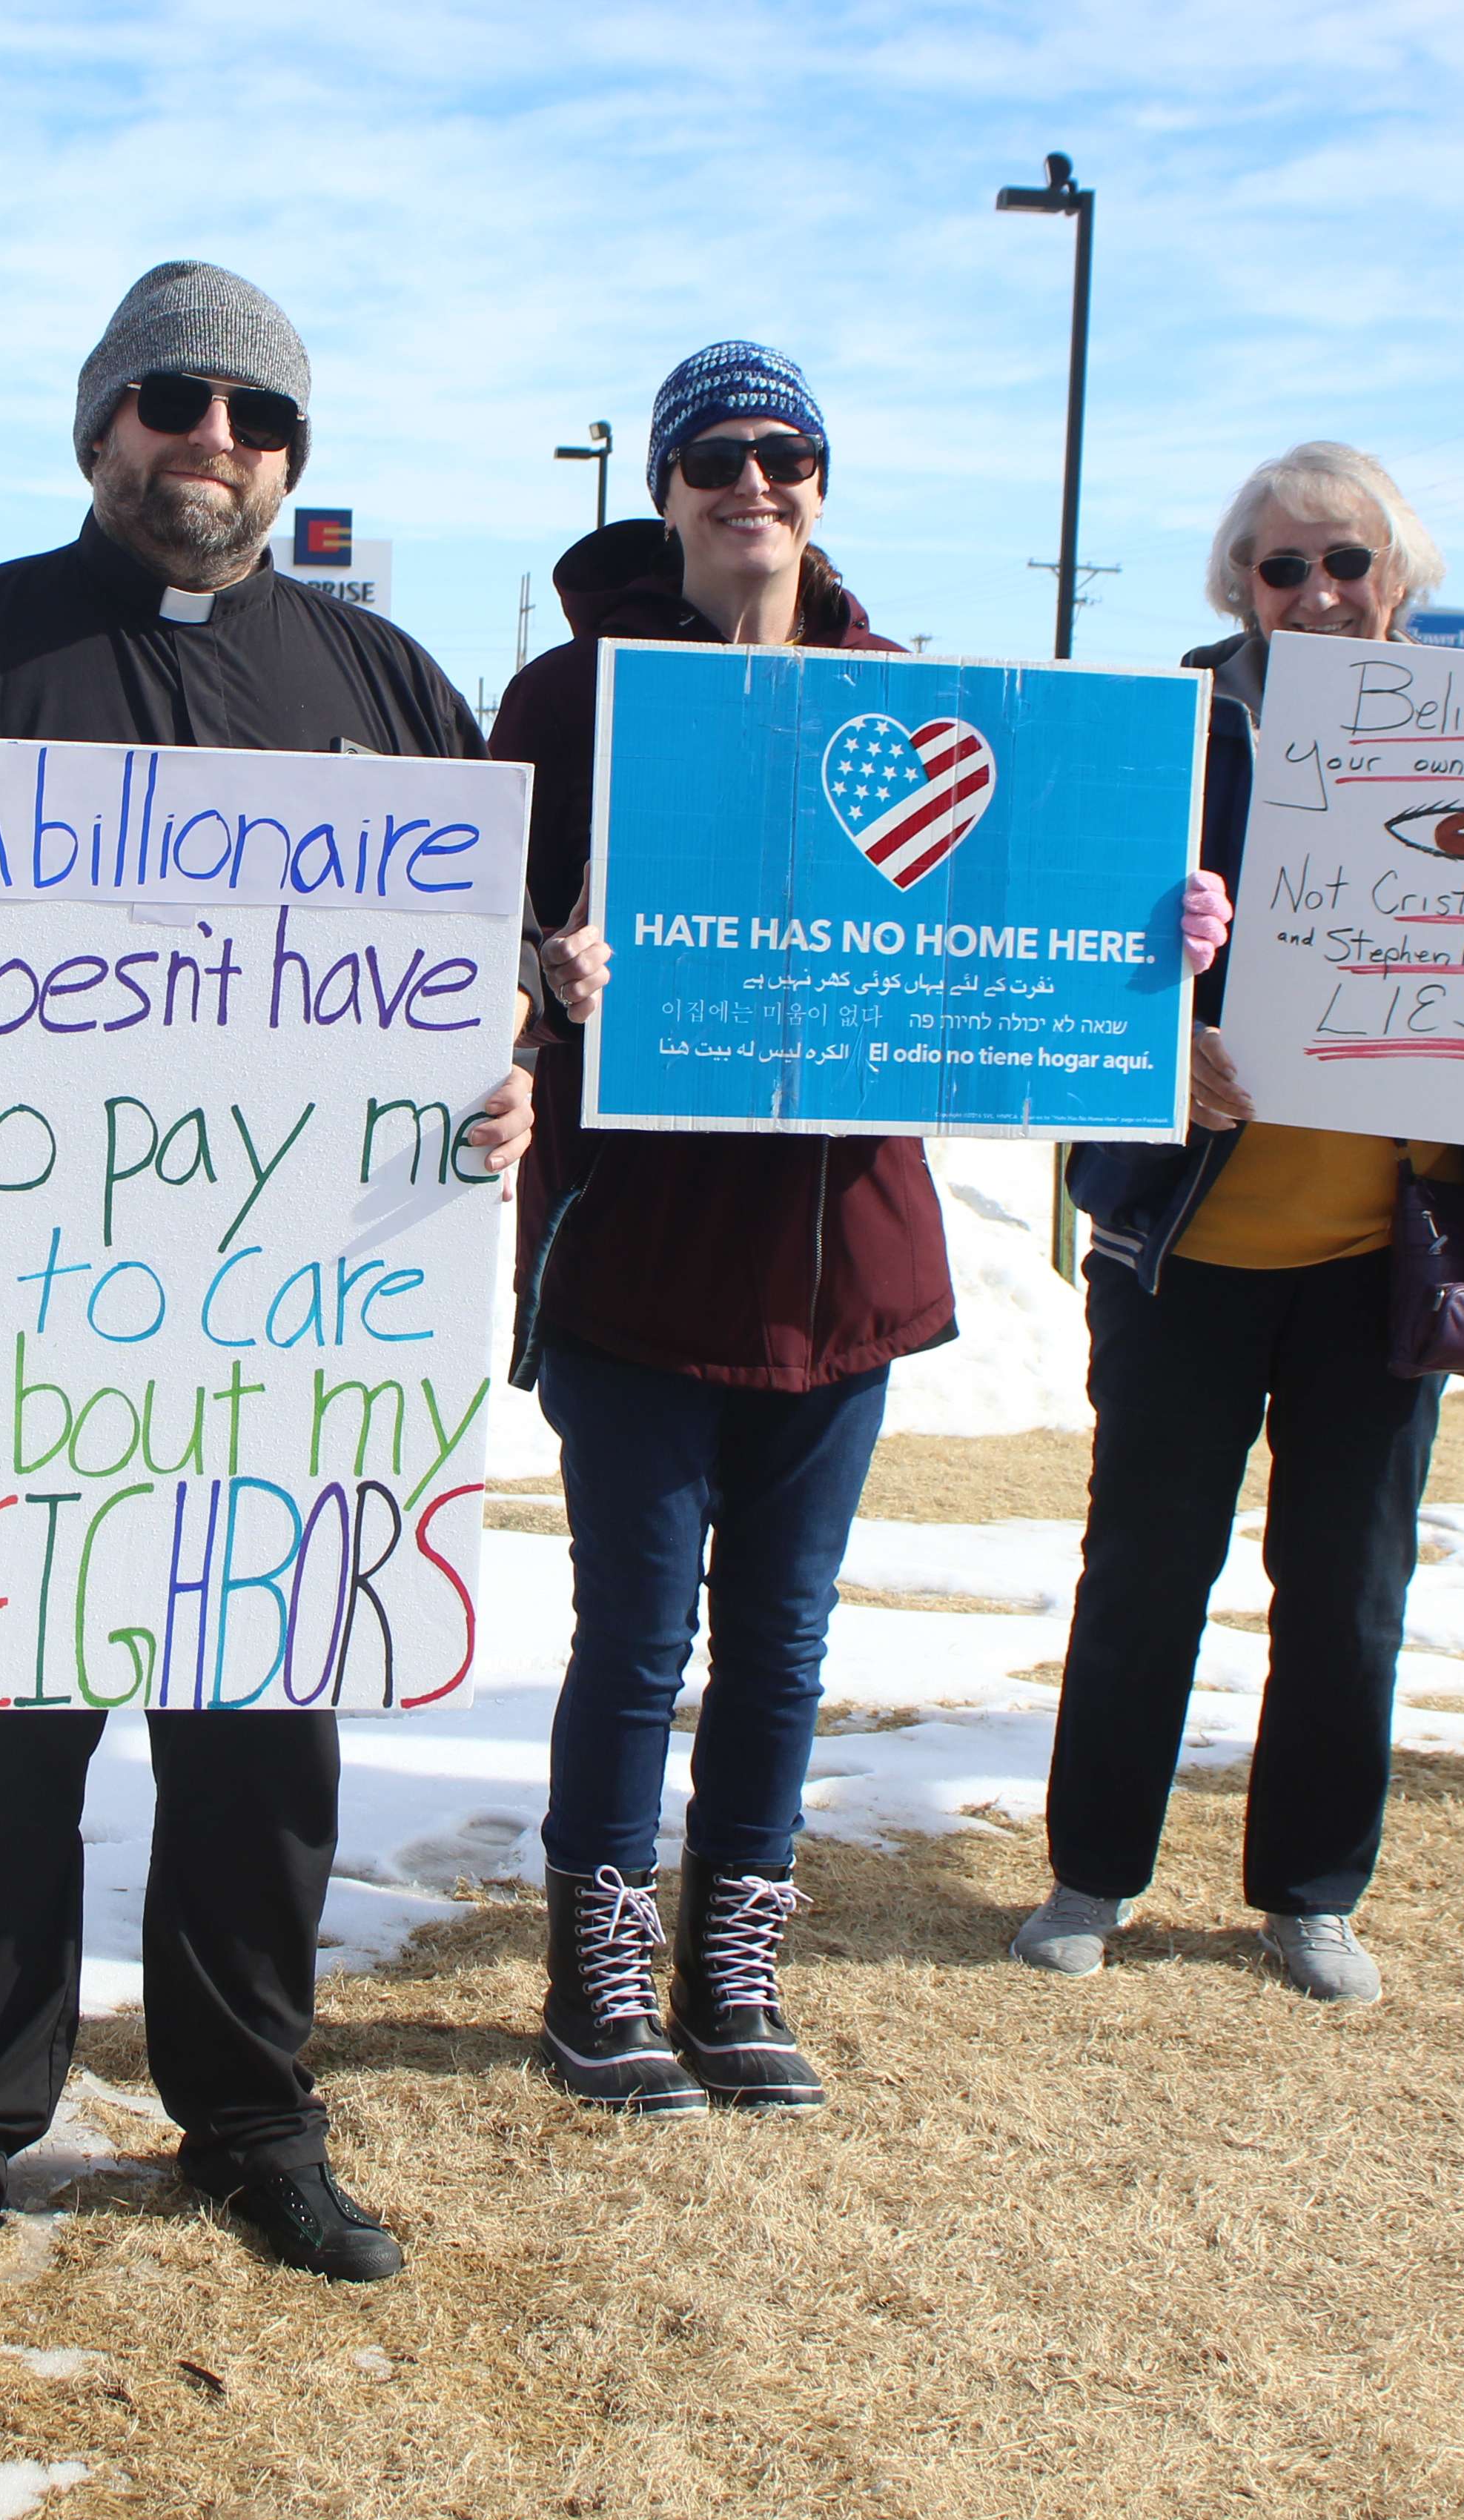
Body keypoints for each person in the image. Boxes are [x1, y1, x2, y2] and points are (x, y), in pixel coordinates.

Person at [0, 260, 529, 2301]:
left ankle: (253, 2112)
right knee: (0, 1715)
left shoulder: (388, 686)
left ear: (296, 459)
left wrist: (510, 1088)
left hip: (305, 1327)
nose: (216, 444)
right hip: (38, 1313)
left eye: (259, 419)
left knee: (264, 1733)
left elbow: (490, 984)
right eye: (174, 402)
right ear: (99, 420)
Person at [1019, 441, 1464, 2004]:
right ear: (1239, 584)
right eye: (1283, 566)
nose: (1317, 592)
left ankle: (1309, 1892)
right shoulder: (1164, 738)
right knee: (1147, 1569)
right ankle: (1094, 1873)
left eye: (1347, 563)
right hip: (1186, 1249)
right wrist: (1159, 1053)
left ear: (1400, 581)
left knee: (1351, 1586)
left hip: (1387, 1256)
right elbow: (1057, 956)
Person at [491, 343, 964, 2115]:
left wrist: (1175, 928)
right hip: (638, 1250)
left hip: (846, 1257)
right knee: (634, 1633)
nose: (748, 482)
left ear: (821, 484)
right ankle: (599, 1967)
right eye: (713, 455)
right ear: (667, 486)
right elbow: (459, 943)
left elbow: (1012, 929)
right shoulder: (568, 699)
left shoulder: (914, 701)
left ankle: (734, 1960)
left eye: (781, 454)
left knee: (786, 1633)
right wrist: (544, 972)